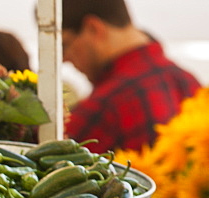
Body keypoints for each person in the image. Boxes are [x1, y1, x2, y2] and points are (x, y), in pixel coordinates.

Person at [61, 0, 201, 152]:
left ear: (93, 28)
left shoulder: (104, 107)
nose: (63, 59)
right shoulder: (190, 82)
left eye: (64, 45)